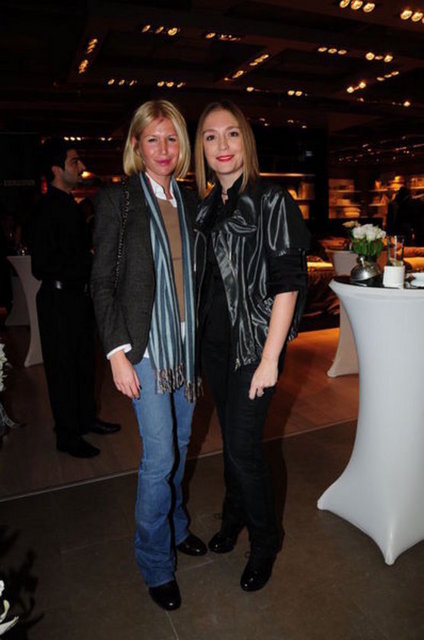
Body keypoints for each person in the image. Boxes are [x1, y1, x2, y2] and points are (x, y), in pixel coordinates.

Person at [90, 100, 206, 611]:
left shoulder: (190, 200)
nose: (163, 149)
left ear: (182, 145)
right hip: (144, 348)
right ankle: (155, 562)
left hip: (186, 348)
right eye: (153, 139)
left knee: (179, 445)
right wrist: (117, 353)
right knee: (160, 458)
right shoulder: (118, 200)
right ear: (136, 144)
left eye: (172, 138)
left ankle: (176, 526)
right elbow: (101, 282)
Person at [194, 101, 310, 592]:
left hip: (253, 349)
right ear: (201, 147)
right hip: (214, 348)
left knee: (244, 448)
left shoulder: (272, 200)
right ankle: (233, 517)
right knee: (232, 443)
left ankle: (265, 543)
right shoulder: (205, 207)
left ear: (247, 141)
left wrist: (269, 359)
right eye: (211, 136)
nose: (222, 145)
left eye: (232, 134)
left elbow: (288, 283)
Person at [31, 138, 120, 458]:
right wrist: (88, 262)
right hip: (57, 301)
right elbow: (41, 266)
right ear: (56, 170)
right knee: (63, 369)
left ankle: (86, 419)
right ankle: (67, 435)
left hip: (75, 299)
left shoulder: (69, 204)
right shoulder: (45, 209)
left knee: (84, 363)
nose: (81, 167)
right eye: (74, 162)